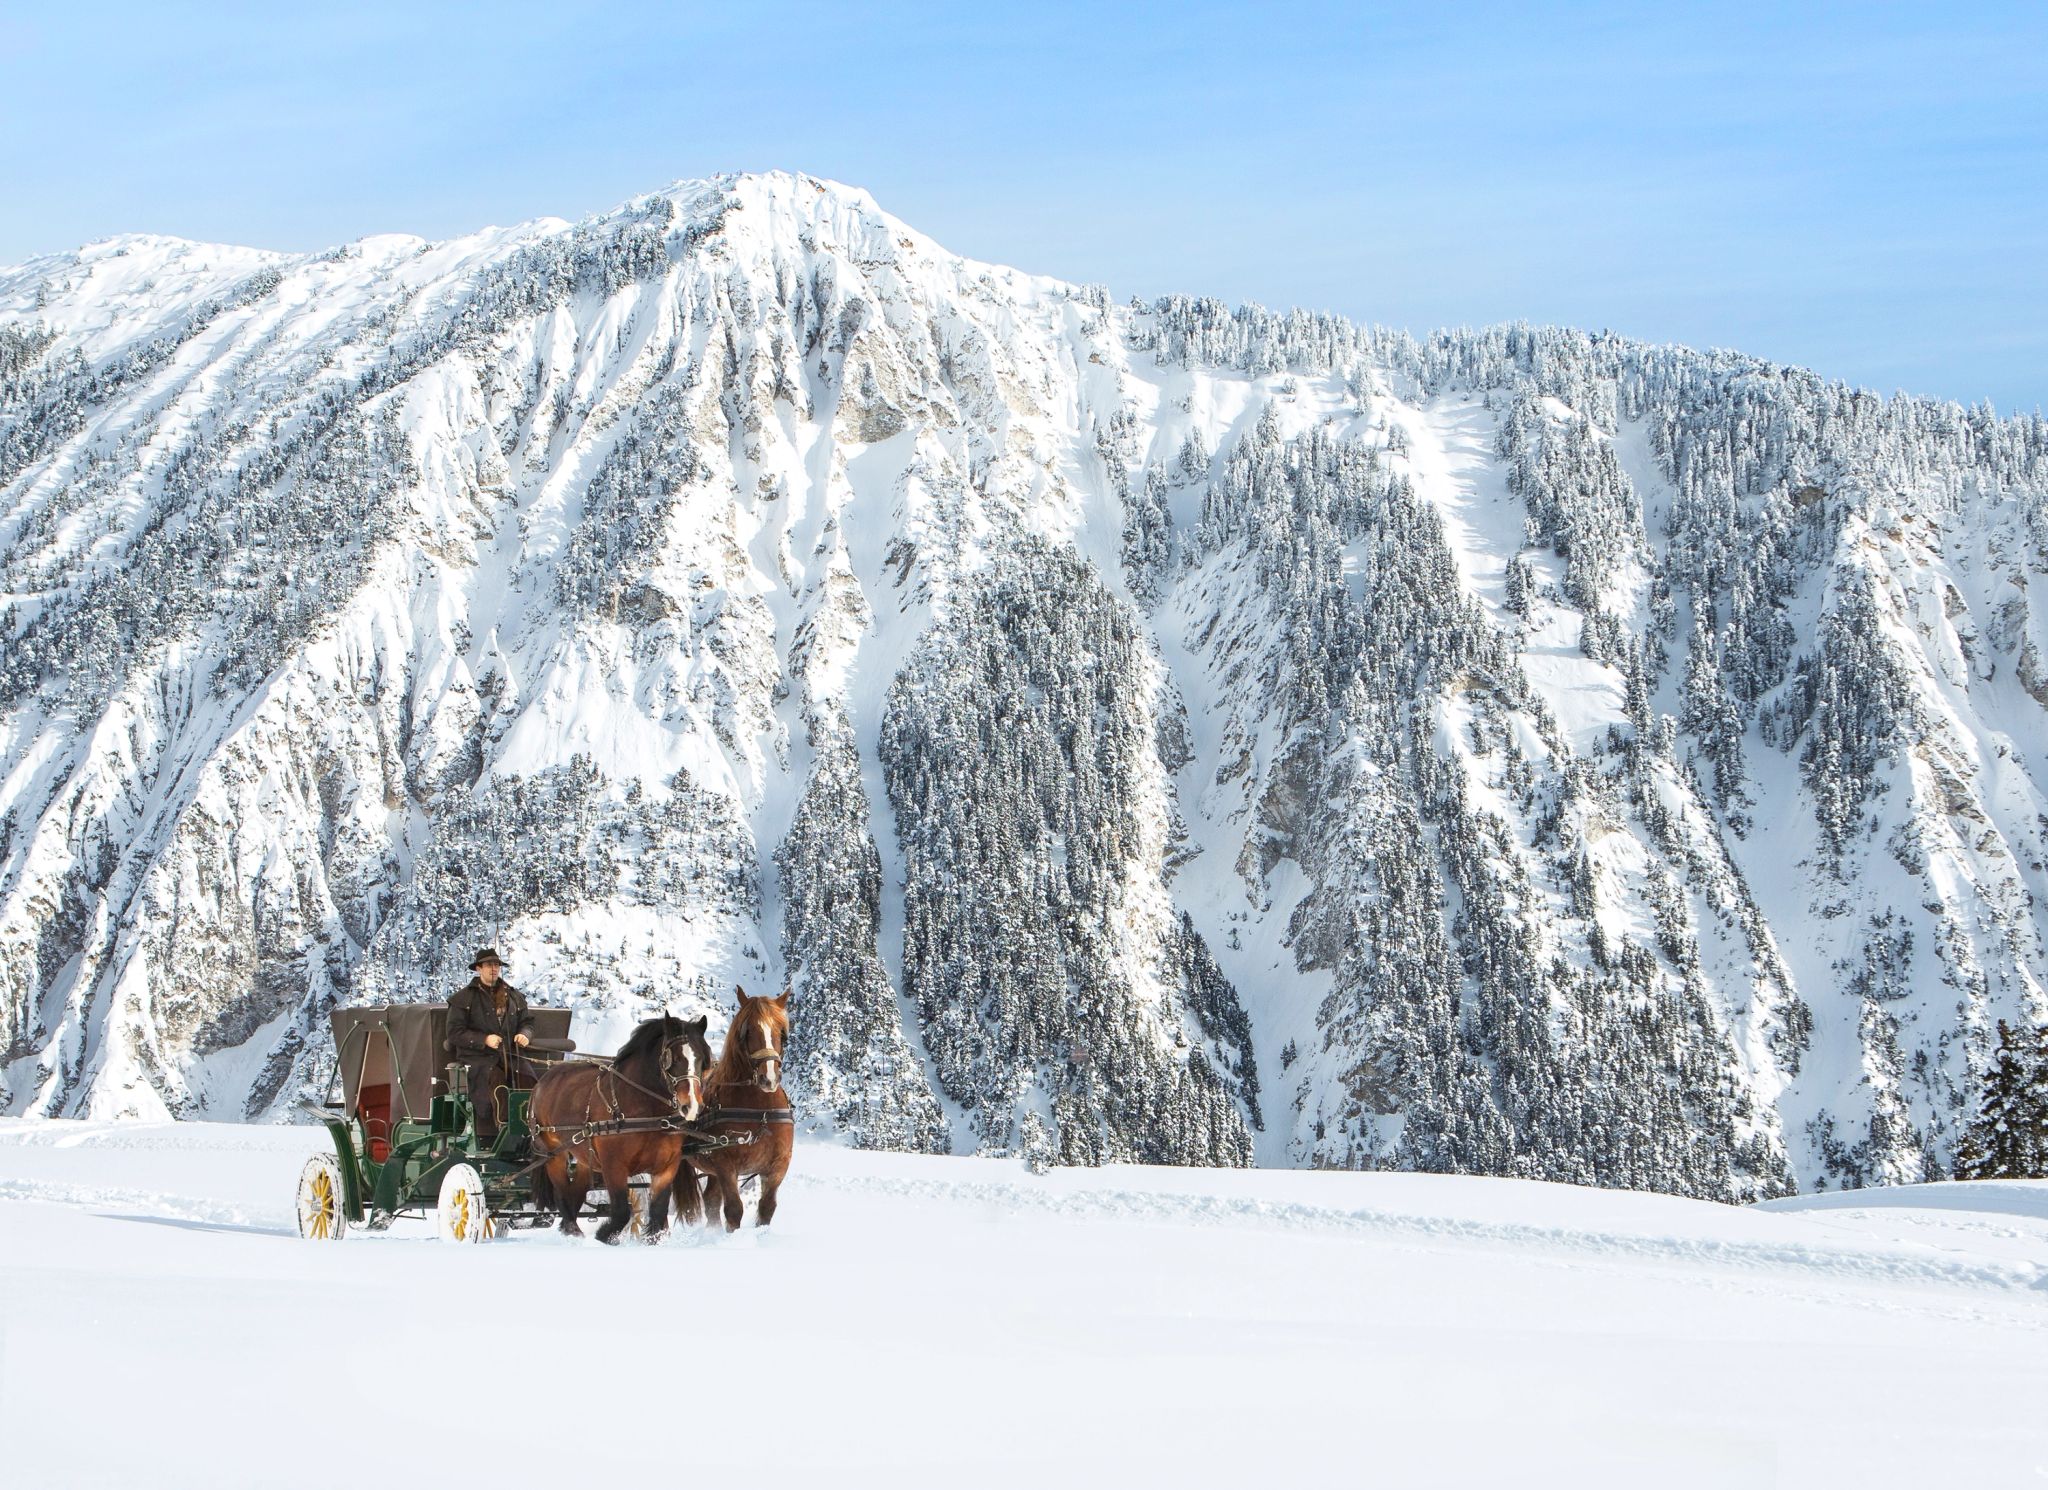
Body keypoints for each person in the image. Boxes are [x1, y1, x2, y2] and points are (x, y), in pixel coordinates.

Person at [447, 947, 538, 1146]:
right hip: (477, 1058)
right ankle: (505, 1131)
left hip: (510, 1055)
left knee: (528, 1078)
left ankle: (533, 1129)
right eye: (489, 965)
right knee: (497, 1081)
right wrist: (484, 1039)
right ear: (478, 968)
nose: (494, 969)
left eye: (496, 965)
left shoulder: (513, 996)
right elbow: (454, 1033)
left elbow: (528, 1022)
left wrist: (525, 1035)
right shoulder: (464, 999)